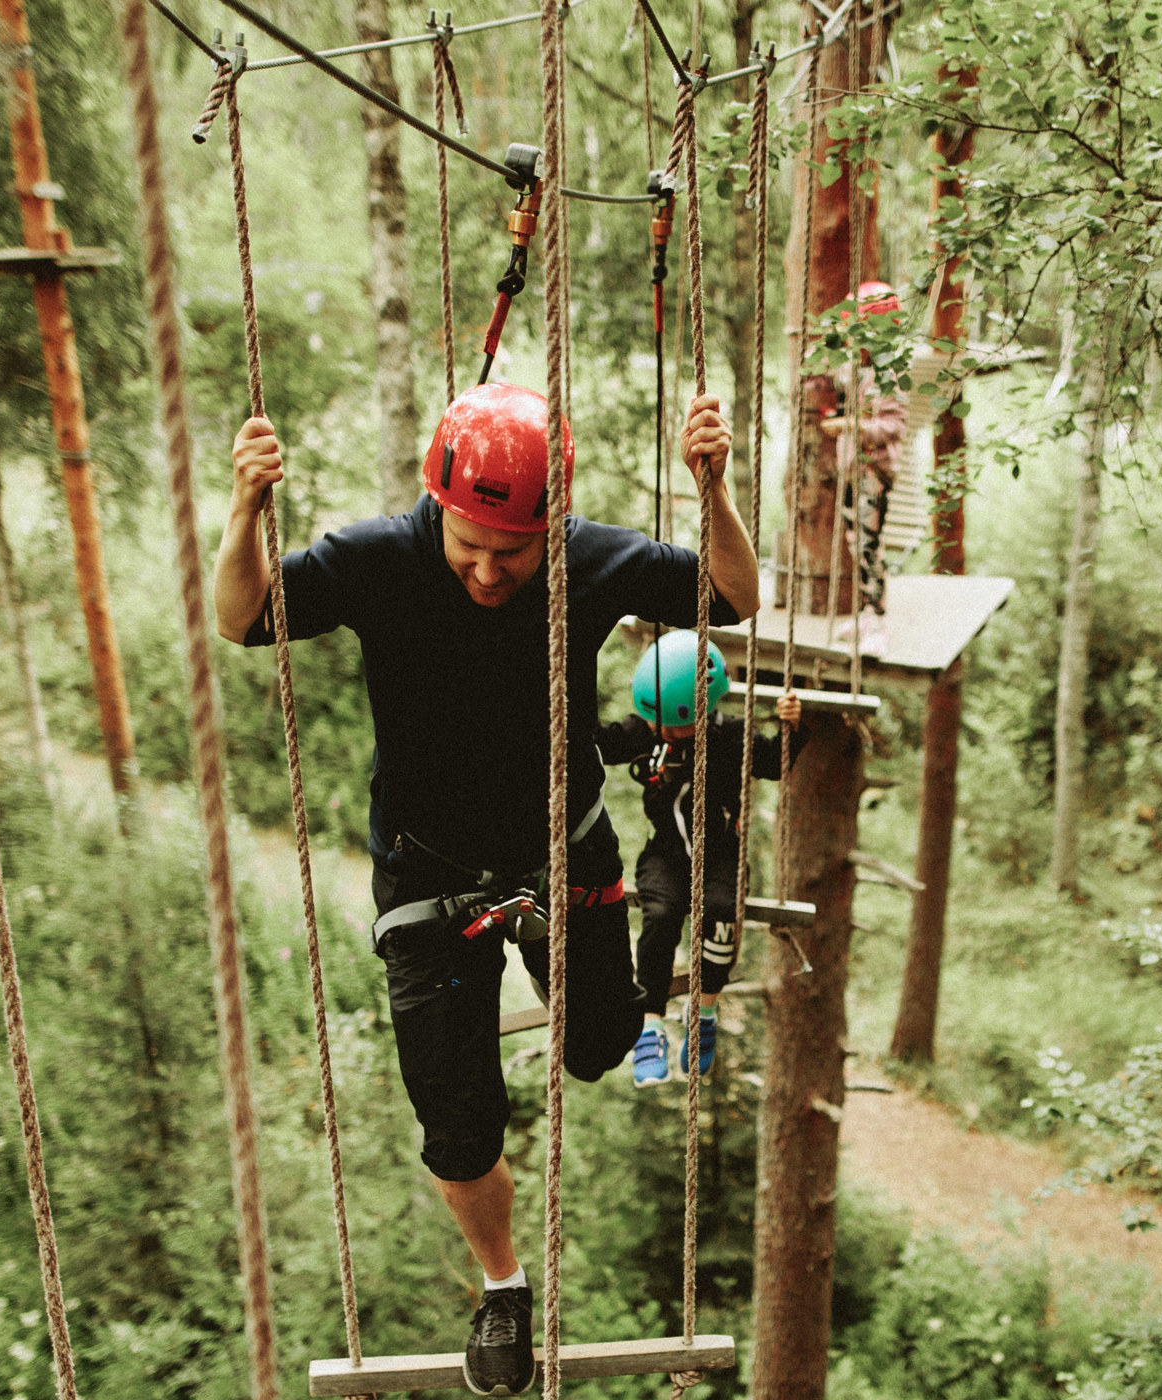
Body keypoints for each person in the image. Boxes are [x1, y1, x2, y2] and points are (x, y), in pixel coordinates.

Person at [213, 381, 759, 1397]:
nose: (489, 569)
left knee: (599, 1045)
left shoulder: (584, 559)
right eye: (470, 544)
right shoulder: (377, 560)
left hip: (567, 850)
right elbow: (241, 617)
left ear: (550, 524)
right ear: (438, 511)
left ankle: (593, 987)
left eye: (512, 551)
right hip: (426, 873)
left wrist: (714, 489)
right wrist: (245, 510)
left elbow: (732, 597)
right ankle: (502, 1286)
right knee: (456, 1119)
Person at [596, 631, 806, 1085]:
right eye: (659, 722)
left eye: (677, 724)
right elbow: (599, 743)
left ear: (706, 709)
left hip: (722, 855)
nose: (666, 732)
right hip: (665, 856)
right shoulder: (645, 732)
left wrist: (791, 726)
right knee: (662, 916)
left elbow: (773, 762)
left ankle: (704, 1012)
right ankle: (650, 1025)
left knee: (719, 916)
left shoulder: (731, 735)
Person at [818, 279, 908, 655]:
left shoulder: (888, 375)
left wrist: (851, 426)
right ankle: (867, 613)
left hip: (874, 470)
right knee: (857, 542)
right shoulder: (860, 370)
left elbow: (895, 427)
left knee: (870, 544)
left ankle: (879, 620)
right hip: (854, 468)